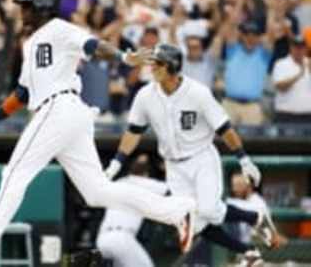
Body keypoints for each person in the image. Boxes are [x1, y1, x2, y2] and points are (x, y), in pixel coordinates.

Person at [0, 0, 196, 267]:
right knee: (97, 192)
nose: (22, 9)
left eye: (27, 4)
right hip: (64, 113)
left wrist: (124, 56)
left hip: (58, 107)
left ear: (42, 7)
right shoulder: (31, 42)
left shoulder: (60, 28)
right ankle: (176, 210)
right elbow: (23, 93)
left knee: (13, 174)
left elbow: (93, 45)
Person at [105, 43, 274, 267]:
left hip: (201, 157)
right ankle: (249, 249)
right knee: (197, 225)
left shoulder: (198, 92)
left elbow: (224, 128)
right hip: (174, 166)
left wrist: (244, 159)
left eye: (158, 64)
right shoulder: (145, 95)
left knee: (208, 210)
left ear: (172, 67)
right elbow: (133, 132)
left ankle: (255, 218)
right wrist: (117, 163)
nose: (152, 67)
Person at [96, 154, 165, 267]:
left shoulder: (118, 183)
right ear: (147, 173)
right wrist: (166, 169)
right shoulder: (147, 184)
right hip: (121, 238)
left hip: (102, 239)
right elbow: (174, 190)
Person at [227, 172, 288, 250]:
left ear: (249, 186)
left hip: (256, 246)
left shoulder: (257, 203)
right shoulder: (239, 201)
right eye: (233, 186)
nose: (234, 189)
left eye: (239, 185)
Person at [272, 35, 311, 123]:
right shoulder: (281, 64)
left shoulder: (309, 63)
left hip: (308, 116)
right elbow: (280, 87)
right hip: (286, 115)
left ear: (305, 49)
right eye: (296, 47)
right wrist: (298, 76)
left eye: (301, 47)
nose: (299, 50)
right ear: (291, 48)